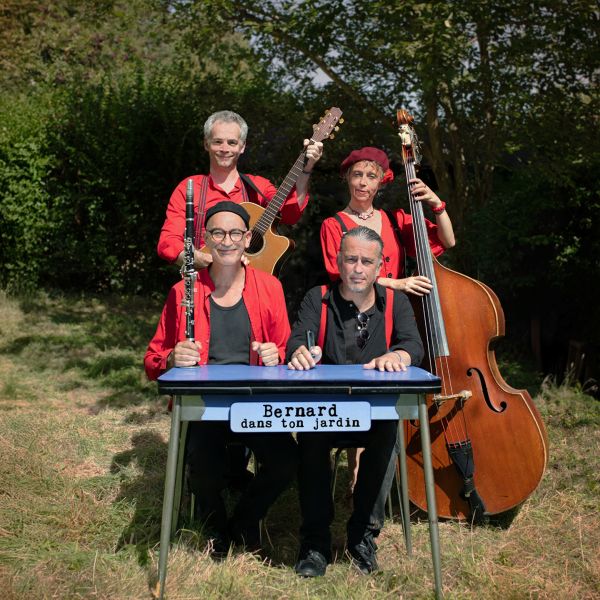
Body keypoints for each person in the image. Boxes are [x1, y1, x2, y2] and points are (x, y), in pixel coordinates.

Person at [145, 201, 298, 554]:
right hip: (205, 404)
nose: (226, 241)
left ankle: (245, 520)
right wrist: (172, 357)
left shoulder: (269, 287)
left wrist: (276, 355)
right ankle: (214, 525)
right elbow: (153, 359)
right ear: (206, 239)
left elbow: (286, 348)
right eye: (217, 233)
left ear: (247, 238)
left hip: (255, 403)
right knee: (203, 467)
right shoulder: (183, 291)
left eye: (234, 233)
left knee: (286, 460)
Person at [286, 226, 424, 577]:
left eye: (366, 261)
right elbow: (296, 341)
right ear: (338, 261)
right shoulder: (317, 298)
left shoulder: (395, 302)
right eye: (351, 259)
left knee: (388, 436)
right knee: (311, 439)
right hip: (324, 410)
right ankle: (315, 543)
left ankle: (363, 536)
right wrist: (299, 352)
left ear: (380, 267)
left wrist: (399, 356)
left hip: (373, 412)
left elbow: (413, 346)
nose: (358, 268)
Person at [320, 146, 455, 494]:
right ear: (347, 178)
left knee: (394, 377)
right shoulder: (333, 224)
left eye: (371, 176)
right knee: (363, 383)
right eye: (357, 175)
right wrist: (398, 283)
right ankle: (359, 478)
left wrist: (436, 203)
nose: (363, 182)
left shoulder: (396, 220)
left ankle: (380, 474)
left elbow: (448, 240)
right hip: (354, 313)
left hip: (395, 312)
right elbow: (340, 273)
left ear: (382, 181)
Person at [158, 109, 323, 269]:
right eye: (217, 142)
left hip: (252, 280)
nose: (225, 149)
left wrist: (305, 170)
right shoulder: (189, 188)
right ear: (206, 144)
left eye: (232, 142)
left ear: (242, 147)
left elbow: (290, 215)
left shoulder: (259, 187)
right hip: (204, 280)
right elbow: (167, 241)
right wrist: (199, 258)